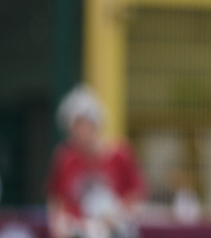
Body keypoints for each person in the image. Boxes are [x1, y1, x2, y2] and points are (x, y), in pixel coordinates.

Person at [46, 85, 146, 238]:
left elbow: (136, 196)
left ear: (95, 124)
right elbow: (56, 201)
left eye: (81, 125)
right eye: (72, 128)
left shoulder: (120, 155)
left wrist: (115, 216)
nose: (77, 133)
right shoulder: (65, 158)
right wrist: (60, 224)